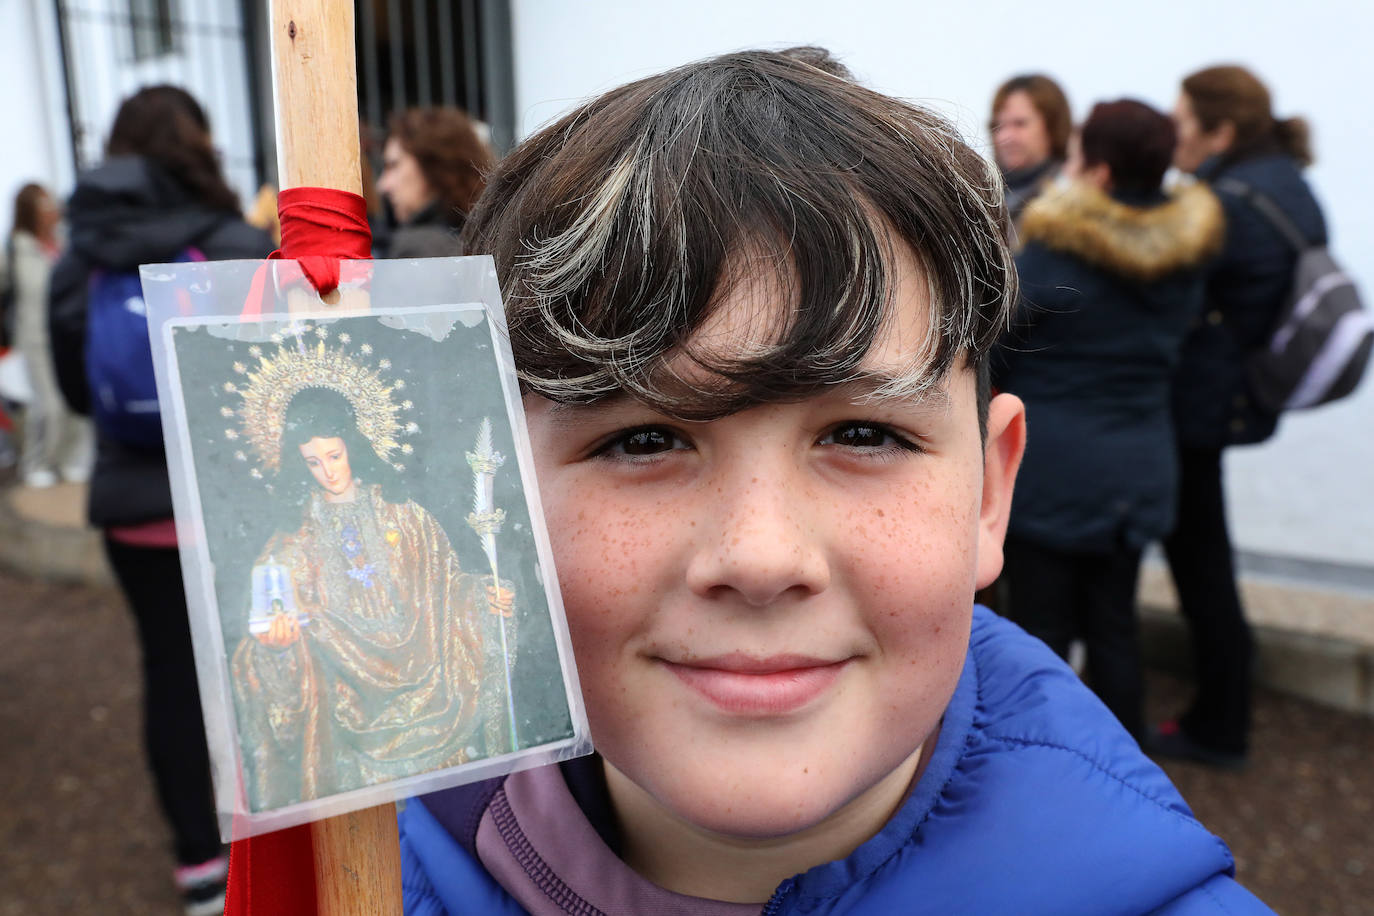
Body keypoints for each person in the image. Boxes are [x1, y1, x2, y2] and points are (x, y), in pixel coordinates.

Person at [396, 51, 1273, 914]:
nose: (761, 558)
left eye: (864, 433)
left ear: (988, 496)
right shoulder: (333, 877)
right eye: (642, 439)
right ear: (498, 502)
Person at [48, 84, 274, 916]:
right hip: (230, 506)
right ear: (197, 145)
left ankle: (198, 869)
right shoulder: (233, 242)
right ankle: (271, 843)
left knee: (170, 680)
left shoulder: (83, 255)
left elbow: (78, 394)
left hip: (138, 512)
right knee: (260, 672)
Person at [994, 100, 1223, 741]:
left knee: (1040, 634)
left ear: (1095, 171)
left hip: (1053, 471)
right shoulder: (1189, 257)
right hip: (1142, 468)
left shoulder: (1055, 259)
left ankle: (1031, 767)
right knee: (1115, 625)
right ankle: (1125, 774)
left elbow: (995, 352)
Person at [1151, 66, 1327, 769]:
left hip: (1198, 405)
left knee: (1203, 569)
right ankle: (1223, 706)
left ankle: (1219, 727)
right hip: (1227, 399)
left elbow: (1169, 292)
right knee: (1208, 558)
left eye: (1182, 124)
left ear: (1220, 131)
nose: (1173, 140)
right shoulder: (1288, 183)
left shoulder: (1228, 203)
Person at [230, 386, 515, 810]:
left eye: (334, 455)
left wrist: (481, 597)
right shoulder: (291, 546)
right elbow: (265, 641)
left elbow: (446, 588)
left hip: (437, 710)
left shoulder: (406, 516)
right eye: (313, 462)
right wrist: (277, 649)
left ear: (352, 447)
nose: (327, 471)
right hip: (350, 733)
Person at [9, 183, 93, 487]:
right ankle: (36, 463)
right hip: (35, 341)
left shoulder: (64, 244)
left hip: (69, 335)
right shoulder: (15, 248)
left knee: (76, 401)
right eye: (44, 207)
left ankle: (72, 460)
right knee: (47, 406)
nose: (52, 213)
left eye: (52, 205)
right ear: (29, 211)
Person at [377, 106, 493, 258]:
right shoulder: (487, 239)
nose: (383, 185)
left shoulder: (415, 248)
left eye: (393, 165)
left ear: (432, 165)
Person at [989, 73, 1072, 230]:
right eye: (998, 125)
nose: (1005, 137)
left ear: (1053, 127)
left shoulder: (1070, 199)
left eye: (1020, 124)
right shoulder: (979, 195)